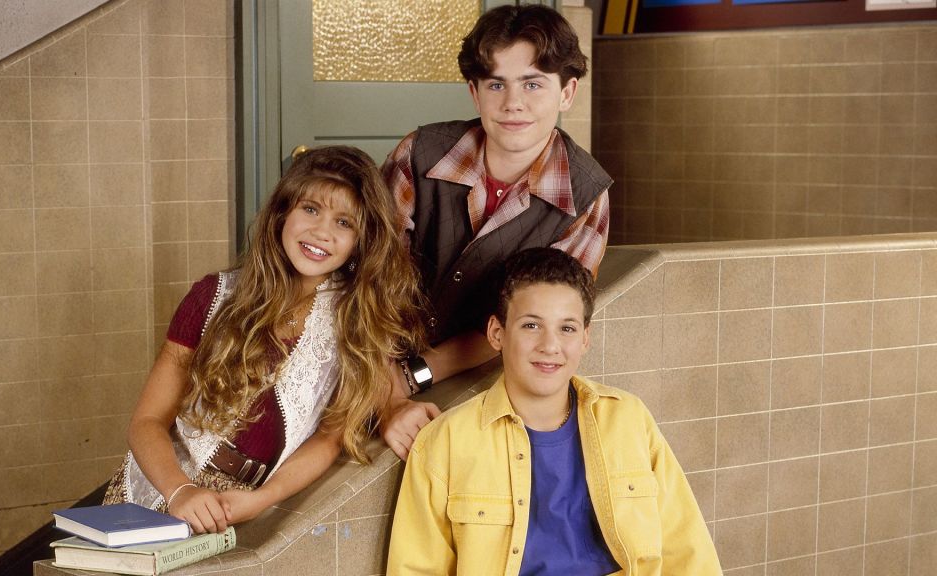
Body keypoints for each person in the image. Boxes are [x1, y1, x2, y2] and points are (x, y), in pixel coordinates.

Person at [103, 146, 426, 534]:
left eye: (344, 223)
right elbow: (147, 420)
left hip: (241, 505)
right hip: (161, 487)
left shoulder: (356, 325)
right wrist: (180, 491)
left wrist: (262, 499)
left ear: (362, 240)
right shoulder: (213, 296)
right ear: (283, 212)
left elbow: (328, 440)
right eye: (310, 209)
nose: (321, 232)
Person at [388, 248, 722, 576]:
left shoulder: (628, 419)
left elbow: (687, 548)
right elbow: (416, 569)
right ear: (497, 333)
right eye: (531, 326)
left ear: (585, 338)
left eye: (567, 328)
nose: (550, 346)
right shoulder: (445, 442)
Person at [381, 4, 613, 459]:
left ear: (567, 92)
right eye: (496, 84)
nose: (513, 103)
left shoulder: (586, 197)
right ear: (474, 92)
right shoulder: (417, 154)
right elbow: (361, 282)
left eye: (533, 84)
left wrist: (414, 376)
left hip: (471, 369)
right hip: (366, 352)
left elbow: (531, 322)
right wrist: (382, 389)